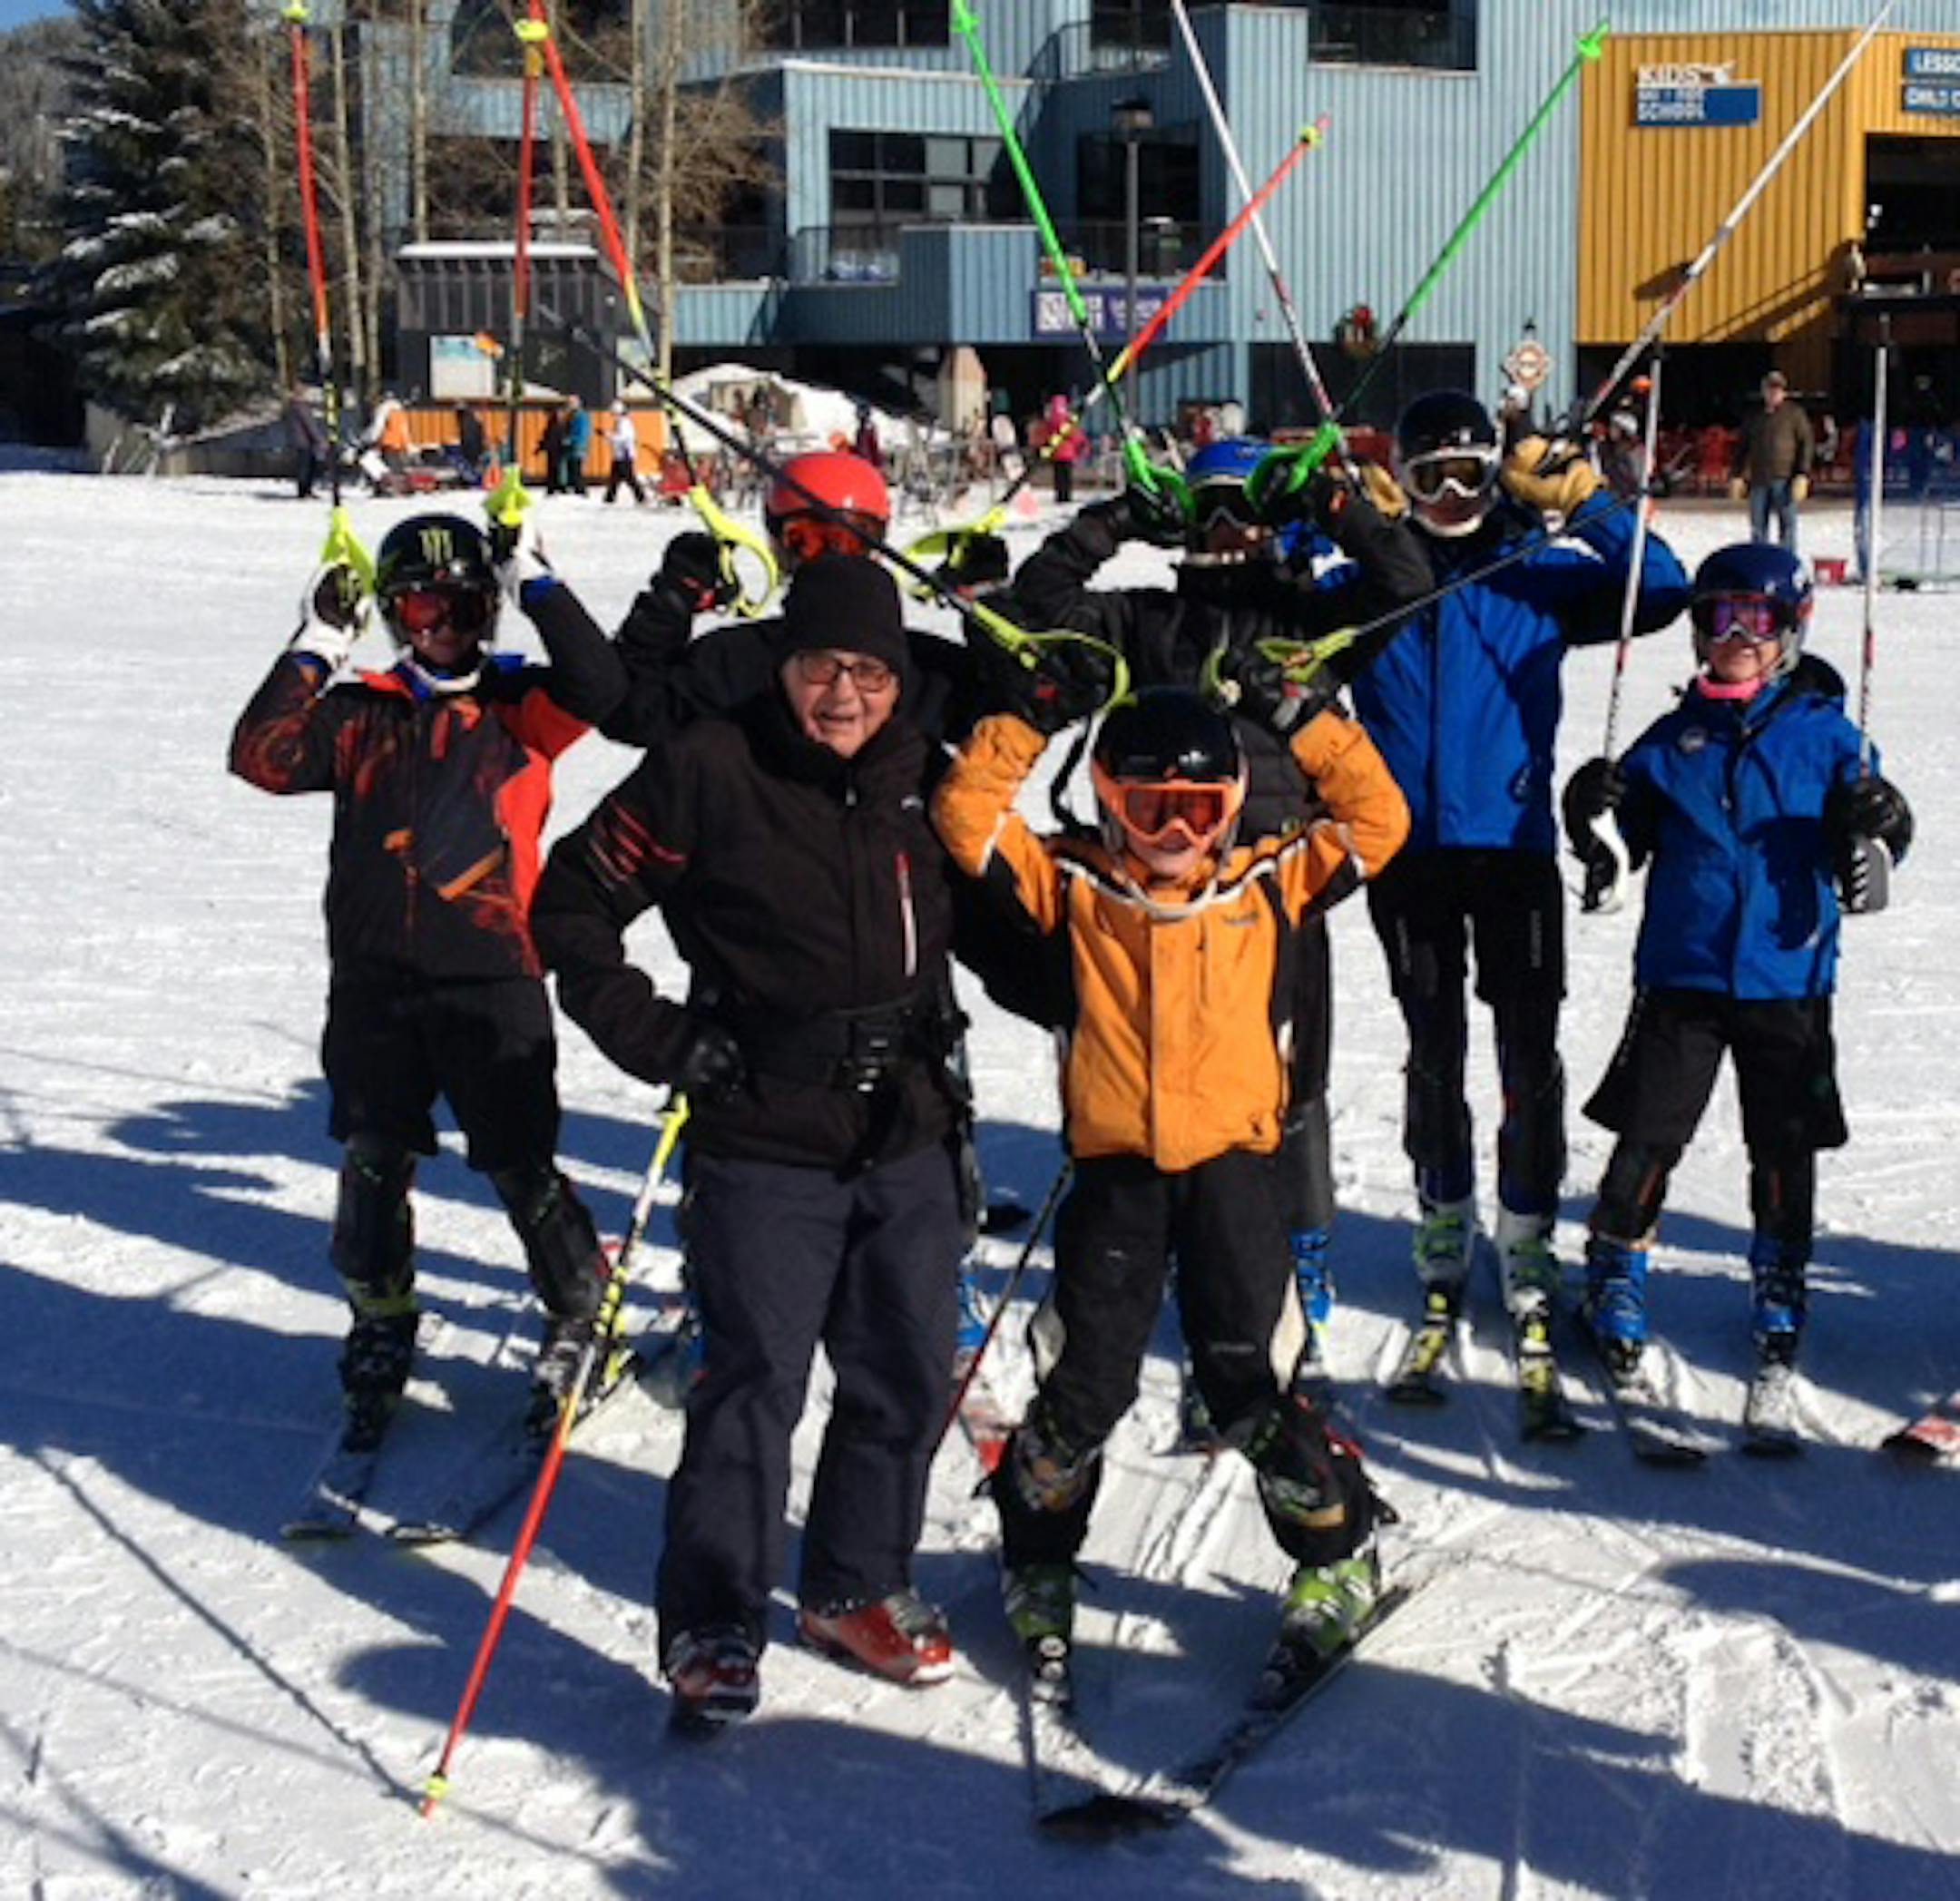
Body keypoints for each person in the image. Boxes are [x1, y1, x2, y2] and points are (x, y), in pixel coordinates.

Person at [532, 556, 978, 1735]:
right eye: (822, 665)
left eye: (872, 671)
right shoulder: (705, 768)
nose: (846, 694)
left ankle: (850, 1584)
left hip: (909, 1124)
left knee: (903, 1373)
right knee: (751, 1385)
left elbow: (1006, 920)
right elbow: (570, 900)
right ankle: (716, 1617)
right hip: (762, 1126)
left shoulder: (927, 782)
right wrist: (659, 1036)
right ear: (783, 665)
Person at [931, 676, 1407, 1669]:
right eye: (1149, 808)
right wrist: (1028, 712)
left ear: (1231, 807)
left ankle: (1336, 1548)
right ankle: (1038, 1553)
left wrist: (1303, 718)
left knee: (1246, 1383)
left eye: (1197, 811)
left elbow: (1379, 817)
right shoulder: (1071, 882)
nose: (1173, 831)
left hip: (1235, 1171)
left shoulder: (1269, 881)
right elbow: (967, 813)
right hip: (1117, 1176)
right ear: (1108, 798)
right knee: (1081, 1389)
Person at [999, 436, 1430, 1393]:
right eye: (1210, 510)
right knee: (1152, 1082)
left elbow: (1405, 578)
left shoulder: (1304, 615)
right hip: (1147, 895)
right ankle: (1157, 1277)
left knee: (1287, 1089)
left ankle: (1287, 1278)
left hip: (1276, 888)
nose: (1230, 529)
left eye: (1247, 507)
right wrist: (1110, 523)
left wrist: (1326, 502)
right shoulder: (1150, 618)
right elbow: (1039, 607)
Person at [227, 510, 629, 1454]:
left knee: (520, 1166)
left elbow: (605, 685)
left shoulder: (519, 705)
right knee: (372, 1167)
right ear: (395, 615)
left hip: (490, 978)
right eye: (416, 604)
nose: (438, 622)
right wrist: (320, 640)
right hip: (374, 984)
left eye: (457, 603)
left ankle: (581, 1315)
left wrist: (539, 581)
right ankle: (380, 1316)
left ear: (485, 610)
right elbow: (260, 756)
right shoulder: (363, 711)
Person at [1343, 390, 1690, 1387]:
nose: (1451, 495)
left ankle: (1527, 1227)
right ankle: (1444, 1213)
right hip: (1407, 853)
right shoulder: (1377, 578)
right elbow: (1289, 600)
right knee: (1432, 1045)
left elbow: (1659, 593)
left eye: (1470, 473)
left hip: (1513, 849)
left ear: (1499, 473)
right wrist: (1340, 518)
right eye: (1428, 477)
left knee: (1526, 1052)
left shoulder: (1533, 571)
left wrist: (1587, 500)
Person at [1562, 544, 1912, 1429]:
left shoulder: (1829, 734)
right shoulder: (1674, 736)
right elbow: (1622, 833)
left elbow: (1879, 827)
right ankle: (1615, 1268)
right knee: (1649, 1132)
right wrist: (1589, 808)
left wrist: (1881, 828)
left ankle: (1780, 1279)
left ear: (1790, 627)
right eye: (1715, 617)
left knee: (1783, 1142)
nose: (1733, 637)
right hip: (1683, 969)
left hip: (1786, 973)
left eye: (1755, 618)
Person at [1729, 370, 1815, 552]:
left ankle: (1787, 564)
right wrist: (1737, 475)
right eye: (1770, 389)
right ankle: (1760, 564)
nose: (1773, 394)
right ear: (1763, 391)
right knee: (1758, 528)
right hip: (1758, 480)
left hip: (1785, 480)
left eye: (1777, 389)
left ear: (1784, 392)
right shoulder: (1754, 416)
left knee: (1788, 527)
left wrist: (1803, 474)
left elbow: (1806, 444)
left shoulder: (1794, 414)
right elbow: (1742, 447)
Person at [284, 385, 328, 500]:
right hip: (305, 441)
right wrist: (320, 440)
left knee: (304, 466)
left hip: (297, 440)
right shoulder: (301, 407)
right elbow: (310, 425)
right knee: (307, 467)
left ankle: (304, 490)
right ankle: (305, 491)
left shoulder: (290, 407)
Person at [603, 399, 646, 505]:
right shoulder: (621, 422)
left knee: (629, 478)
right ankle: (609, 498)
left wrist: (609, 436)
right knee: (615, 478)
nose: (612, 415)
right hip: (620, 455)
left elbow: (624, 438)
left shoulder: (624, 423)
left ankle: (640, 497)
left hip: (624, 455)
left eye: (613, 413)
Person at [1043, 392, 1083, 505]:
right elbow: (1075, 435)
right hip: (1068, 453)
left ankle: (1060, 495)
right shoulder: (1068, 420)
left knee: (1058, 475)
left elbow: (1047, 435)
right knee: (1067, 476)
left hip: (1056, 452)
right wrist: (1080, 446)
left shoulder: (1051, 421)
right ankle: (1066, 495)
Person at [563, 395, 593, 497]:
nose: (569, 405)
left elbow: (582, 432)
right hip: (573, 446)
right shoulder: (572, 415)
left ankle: (580, 489)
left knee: (577, 467)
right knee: (572, 467)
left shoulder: (581, 416)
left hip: (578, 446)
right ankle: (575, 487)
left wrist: (571, 439)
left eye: (571, 403)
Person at [452, 404, 488, 484]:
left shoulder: (468, 422)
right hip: (474, 449)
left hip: (472, 450)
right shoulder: (472, 420)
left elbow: (470, 439)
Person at [540, 401, 568, 495]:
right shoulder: (559, 423)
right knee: (556, 469)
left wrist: (542, 446)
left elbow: (549, 437)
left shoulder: (554, 424)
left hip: (555, 449)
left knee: (554, 469)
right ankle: (557, 487)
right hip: (557, 449)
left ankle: (554, 487)